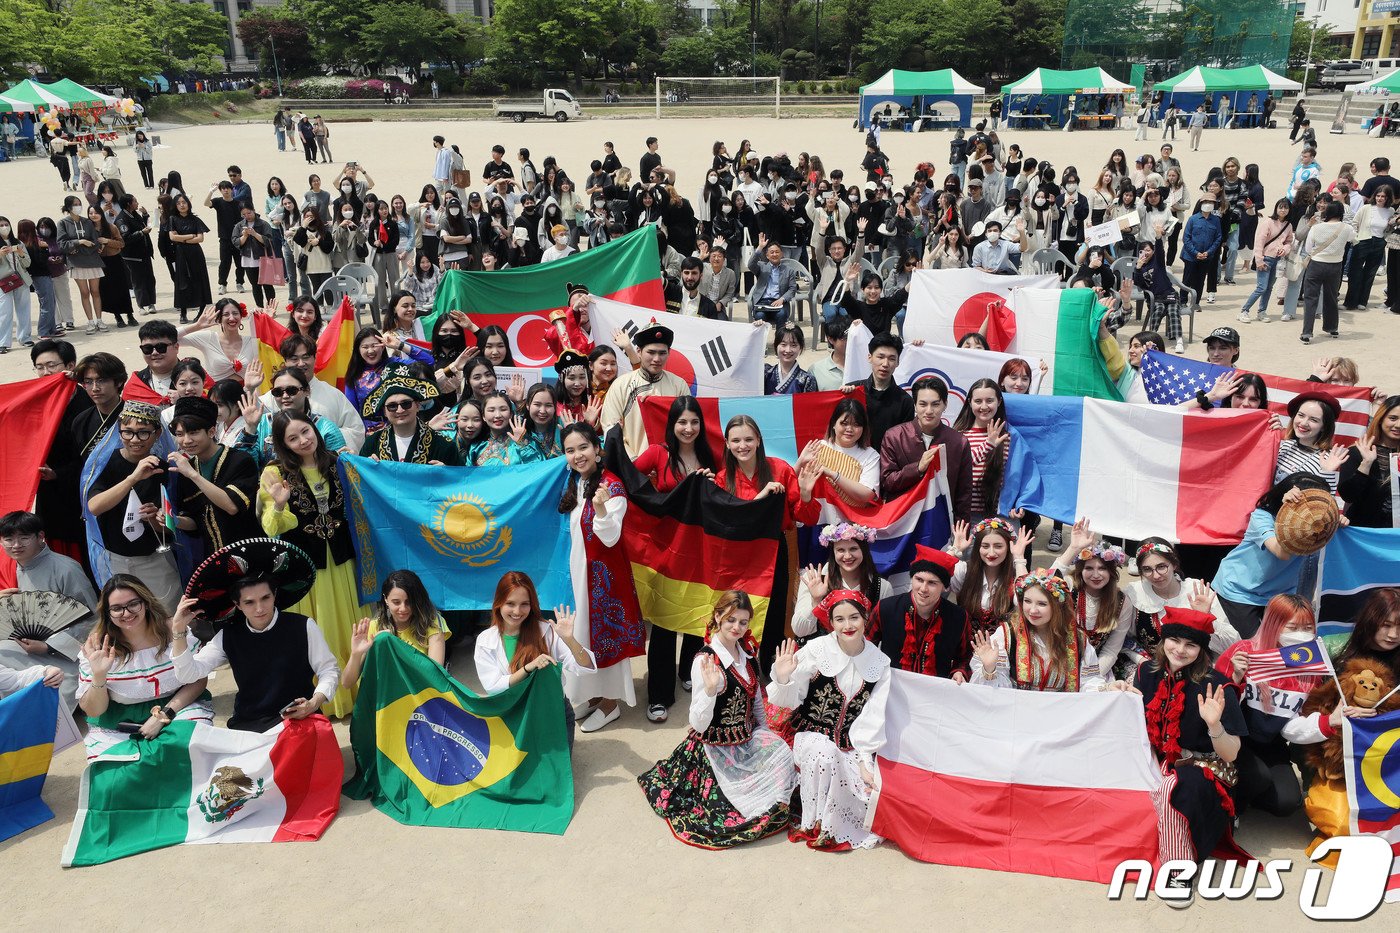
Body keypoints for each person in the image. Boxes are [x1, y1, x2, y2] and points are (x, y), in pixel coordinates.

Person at [637, 590, 796, 849]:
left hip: (746, 738)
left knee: (781, 752)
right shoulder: (705, 660)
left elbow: (756, 700)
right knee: (729, 802)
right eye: (731, 620)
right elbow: (698, 724)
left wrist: (766, 736)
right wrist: (710, 692)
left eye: (743, 622)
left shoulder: (748, 653)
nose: (737, 627)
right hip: (715, 747)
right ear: (718, 617)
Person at [1134, 607, 1247, 903]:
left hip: (1205, 765)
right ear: (1163, 640)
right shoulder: (1145, 672)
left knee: (1175, 787)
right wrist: (1119, 691)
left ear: (1201, 649)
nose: (1180, 650)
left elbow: (1232, 753)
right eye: (1175, 641)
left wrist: (1214, 724)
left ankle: (1178, 870)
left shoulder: (1217, 684)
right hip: (1157, 759)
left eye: (1191, 645)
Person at [255, 414, 363, 718]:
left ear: (316, 429)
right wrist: (278, 504)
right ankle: (323, 699)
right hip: (308, 570)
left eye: (306, 431)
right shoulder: (275, 473)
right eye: (293, 438)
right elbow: (271, 528)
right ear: (282, 444)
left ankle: (358, 691)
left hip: (343, 561)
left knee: (349, 629)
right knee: (320, 632)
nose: (303, 440)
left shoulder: (339, 461)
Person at [768, 590, 891, 850]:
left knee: (869, 795)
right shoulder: (816, 650)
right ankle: (816, 822)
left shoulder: (880, 663)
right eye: (840, 619)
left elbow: (872, 717)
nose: (848, 626)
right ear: (831, 622)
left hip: (849, 744)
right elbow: (788, 700)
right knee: (825, 755)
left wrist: (864, 761)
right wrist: (782, 678)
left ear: (865, 618)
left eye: (854, 617)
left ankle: (835, 824)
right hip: (808, 734)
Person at [171, 556, 339, 733]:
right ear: (238, 605)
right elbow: (188, 675)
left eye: (265, 598)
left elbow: (329, 670)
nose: (259, 608)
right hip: (250, 723)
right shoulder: (228, 635)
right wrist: (178, 630)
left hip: (300, 718)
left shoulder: (303, 626)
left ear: (274, 595)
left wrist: (314, 703)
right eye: (249, 602)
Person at [715, 416, 821, 674]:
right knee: (740, 608)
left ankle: (773, 670)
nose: (743, 445)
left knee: (775, 609)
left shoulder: (781, 469)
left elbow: (805, 517)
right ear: (727, 444)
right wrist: (761, 498)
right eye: (736, 440)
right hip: (739, 554)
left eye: (749, 439)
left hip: (776, 550)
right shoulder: (722, 478)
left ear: (759, 441)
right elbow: (725, 520)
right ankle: (741, 669)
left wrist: (806, 494)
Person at [1216, 594, 1336, 818]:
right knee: (1256, 777)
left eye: (1308, 627)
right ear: (1274, 624)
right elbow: (1215, 702)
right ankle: (1230, 803)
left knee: (1286, 802)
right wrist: (1236, 678)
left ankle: (1243, 789)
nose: (1300, 633)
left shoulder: (1310, 667)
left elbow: (1294, 724)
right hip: (1232, 739)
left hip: (1272, 742)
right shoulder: (1244, 651)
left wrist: (1329, 722)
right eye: (1292, 627)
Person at [558, 422, 644, 733]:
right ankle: (594, 695)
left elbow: (610, 538)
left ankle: (610, 704)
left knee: (605, 638)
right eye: (570, 450)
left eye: (583, 447)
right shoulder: (577, 482)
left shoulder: (612, 487)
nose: (578, 455)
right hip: (582, 574)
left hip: (605, 578)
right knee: (583, 635)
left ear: (598, 449)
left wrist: (602, 511)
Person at [635, 397, 717, 719]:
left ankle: (688, 672)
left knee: (698, 616)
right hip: (667, 551)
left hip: (701, 551)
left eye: (694, 422)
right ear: (672, 424)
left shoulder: (711, 456)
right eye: (682, 422)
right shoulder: (658, 453)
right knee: (665, 621)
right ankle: (658, 694)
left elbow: (728, 491)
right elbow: (629, 479)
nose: (688, 428)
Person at [76, 575, 213, 757]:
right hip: (118, 720)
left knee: (184, 751)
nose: (126, 613)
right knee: (115, 780)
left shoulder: (174, 630)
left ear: (146, 602)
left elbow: (197, 680)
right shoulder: (96, 646)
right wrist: (99, 674)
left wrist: (163, 715)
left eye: (133, 604)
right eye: (117, 608)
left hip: (178, 706)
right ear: (107, 613)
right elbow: (93, 710)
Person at [82, 400, 181, 610]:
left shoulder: (164, 469)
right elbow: (94, 507)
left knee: (167, 616)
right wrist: (132, 478)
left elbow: (170, 528)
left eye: (143, 433)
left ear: (157, 434)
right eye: (127, 432)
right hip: (116, 560)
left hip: (155, 559)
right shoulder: (105, 464)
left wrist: (155, 520)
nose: (135, 440)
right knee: (125, 619)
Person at [0, 510, 98, 708]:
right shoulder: (14, 567)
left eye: (24, 537)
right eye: (9, 539)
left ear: (41, 537)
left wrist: (50, 646)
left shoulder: (65, 568)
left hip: (64, 656)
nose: (16, 545)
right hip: (25, 648)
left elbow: (94, 619)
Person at [969, 568, 1106, 691]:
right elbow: (998, 693)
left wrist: (1108, 689)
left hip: (1060, 714)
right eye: (1027, 601)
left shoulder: (1078, 639)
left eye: (1042, 604)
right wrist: (989, 668)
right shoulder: (1007, 635)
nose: (1032, 610)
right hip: (1018, 712)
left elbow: (1089, 683)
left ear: (1058, 607)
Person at [1124, 539, 1236, 672]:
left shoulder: (1195, 591)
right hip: (1150, 668)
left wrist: (1206, 618)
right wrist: (1142, 661)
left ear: (1174, 564)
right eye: (1147, 569)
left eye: (1161, 567)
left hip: (1194, 670)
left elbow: (1231, 645)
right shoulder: (1134, 593)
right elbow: (1124, 639)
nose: (1156, 575)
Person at [166, 396, 259, 553]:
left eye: (193, 432)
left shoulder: (240, 460)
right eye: (180, 434)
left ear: (211, 431)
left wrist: (193, 475)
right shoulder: (186, 470)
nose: (186, 440)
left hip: (248, 552)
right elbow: (195, 521)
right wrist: (172, 520)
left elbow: (232, 506)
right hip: (213, 559)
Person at [879, 375, 973, 518]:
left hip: (941, 522)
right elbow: (887, 482)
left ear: (945, 404)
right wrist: (917, 468)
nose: (929, 411)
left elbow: (963, 494)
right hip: (902, 521)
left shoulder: (959, 442)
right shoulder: (894, 436)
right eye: (923, 404)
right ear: (915, 405)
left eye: (935, 404)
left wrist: (961, 533)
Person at [1051, 519, 1135, 678]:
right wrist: (1073, 548)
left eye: (1102, 568)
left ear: (1112, 572)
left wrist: (1089, 678)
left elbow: (1110, 650)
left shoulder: (1122, 602)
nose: (1096, 575)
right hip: (1057, 660)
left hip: (1096, 668)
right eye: (1089, 568)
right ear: (1080, 571)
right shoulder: (1068, 586)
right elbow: (1044, 584)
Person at [342, 570, 450, 691]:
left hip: (421, 696)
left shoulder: (431, 622)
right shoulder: (375, 627)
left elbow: (433, 675)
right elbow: (346, 683)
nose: (403, 608)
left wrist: (394, 645)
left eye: (409, 602)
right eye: (396, 602)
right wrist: (356, 653)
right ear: (386, 599)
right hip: (387, 699)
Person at [599, 321, 690, 457]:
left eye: (662, 353)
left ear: (669, 353)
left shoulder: (679, 385)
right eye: (651, 352)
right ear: (639, 352)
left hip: (672, 466)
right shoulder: (620, 385)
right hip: (631, 468)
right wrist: (636, 463)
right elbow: (610, 429)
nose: (656, 359)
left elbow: (688, 427)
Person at [794, 523, 890, 640]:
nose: (847, 556)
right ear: (833, 552)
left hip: (862, 655)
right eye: (840, 550)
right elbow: (799, 630)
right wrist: (816, 600)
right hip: (822, 655)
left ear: (864, 551)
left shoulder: (882, 587)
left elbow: (885, 633)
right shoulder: (815, 579)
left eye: (853, 549)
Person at [358, 363, 459, 465]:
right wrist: (366, 466)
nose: (400, 410)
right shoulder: (372, 443)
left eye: (406, 404)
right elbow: (357, 477)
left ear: (417, 405)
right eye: (392, 406)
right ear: (384, 411)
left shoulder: (444, 445)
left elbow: (462, 478)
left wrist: (446, 473)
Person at [1338, 395, 1400, 528]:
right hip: (1362, 535)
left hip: (1395, 539)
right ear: (1380, 419)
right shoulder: (1357, 451)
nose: (1398, 425)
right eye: (1393, 418)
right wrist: (1366, 463)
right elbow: (1348, 496)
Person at [1299, 200, 1354, 344]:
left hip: (1316, 264)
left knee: (1311, 298)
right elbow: (1353, 239)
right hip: (1335, 266)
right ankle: (1332, 327)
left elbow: (1308, 248)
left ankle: (1307, 332)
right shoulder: (1346, 228)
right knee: (1331, 297)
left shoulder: (1317, 228)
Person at [847, 332, 913, 450]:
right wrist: (841, 396)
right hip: (851, 460)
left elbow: (904, 441)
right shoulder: (852, 390)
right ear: (870, 357)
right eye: (880, 357)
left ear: (898, 363)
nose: (885, 364)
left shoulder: (905, 401)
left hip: (888, 463)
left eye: (892, 359)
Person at [1239, 199, 1295, 324]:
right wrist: (1259, 261)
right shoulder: (1268, 223)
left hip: (1278, 260)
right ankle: (1244, 310)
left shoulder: (1288, 225)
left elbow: (1289, 242)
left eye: (1286, 208)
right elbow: (1259, 243)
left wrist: (1285, 250)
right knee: (1261, 287)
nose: (1283, 210)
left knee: (1269, 287)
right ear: (1276, 208)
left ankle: (1262, 311)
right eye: (1281, 207)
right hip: (1266, 258)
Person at [166, 193, 213, 324]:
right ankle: (183, 312)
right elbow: (172, 237)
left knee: (199, 279)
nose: (182, 205)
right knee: (182, 281)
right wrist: (190, 236)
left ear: (188, 204)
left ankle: (201, 311)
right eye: (179, 203)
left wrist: (182, 239)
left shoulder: (195, 219)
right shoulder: (172, 219)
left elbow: (200, 238)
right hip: (181, 254)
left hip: (195, 253)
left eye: (184, 202)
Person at [1343, 185, 1393, 310]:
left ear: (1387, 198)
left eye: (1383, 196)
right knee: (1355, 272)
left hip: (1379, 243)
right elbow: (1355, 223)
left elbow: (1390, 228)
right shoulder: (1366, 208)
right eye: (1378, 196)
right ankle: (1350, 302)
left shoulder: (1390, 211)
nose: (1380, 198)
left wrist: (1384, 241)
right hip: (1363, 241)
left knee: (1370, 273)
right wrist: (1356, 239)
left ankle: (1362, 301)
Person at [764, 322, 817, 395]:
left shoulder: (807, 380)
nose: (788, 350)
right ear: (776, 346)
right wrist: (755, 330)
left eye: (793, 345)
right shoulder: (766, 373)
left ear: (800, 347)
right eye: (783, 345)